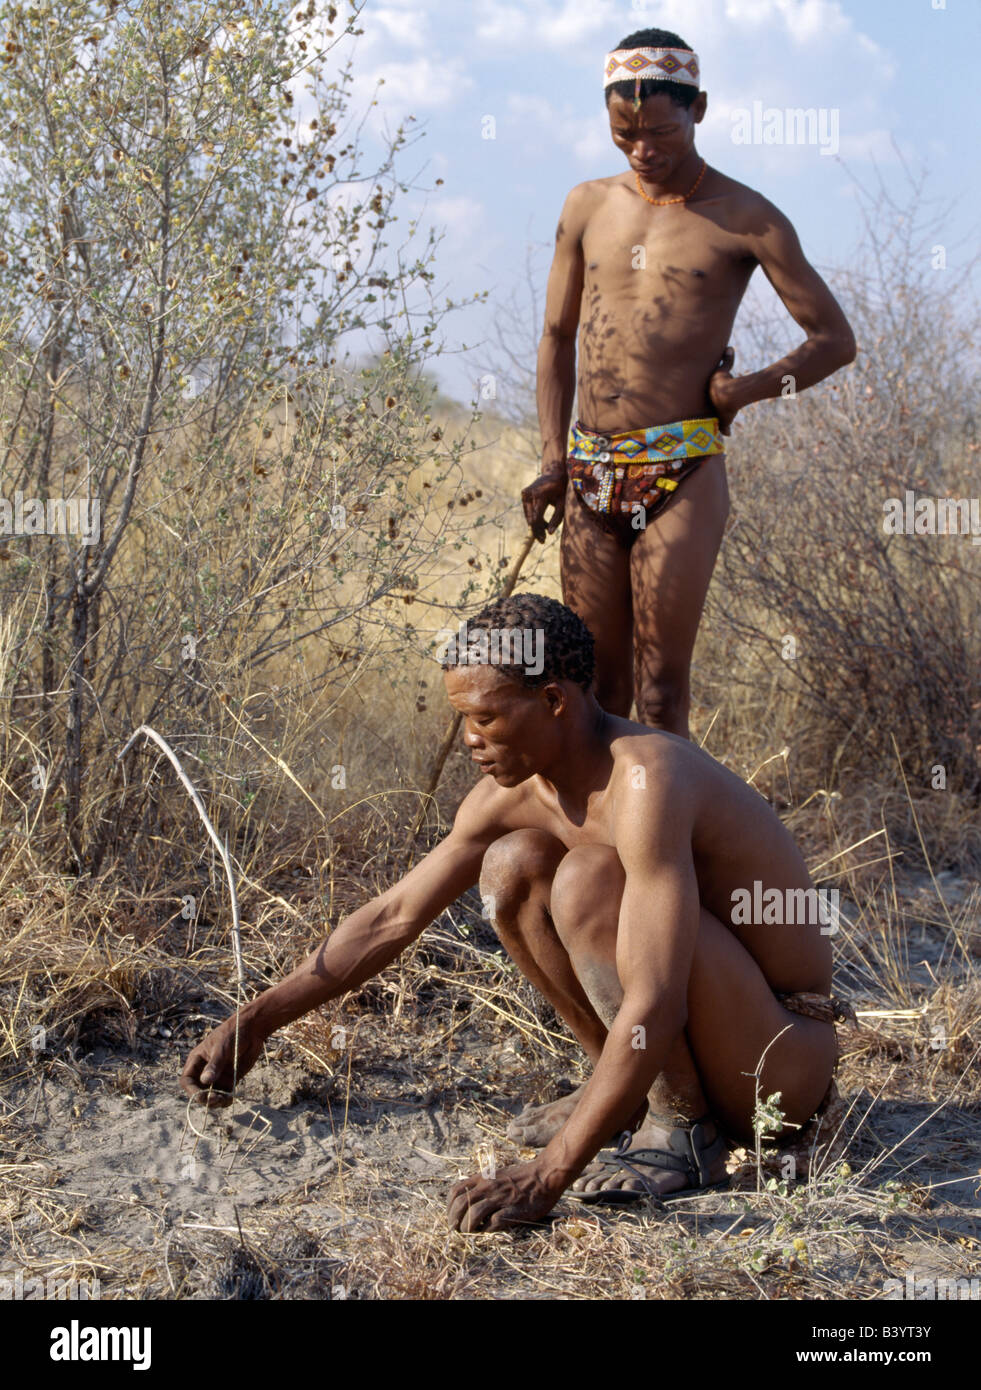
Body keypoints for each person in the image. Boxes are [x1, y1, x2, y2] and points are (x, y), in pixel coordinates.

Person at [181, 593, 849, 1233]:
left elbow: (656, 999)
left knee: (588, 878)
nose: (469, 739)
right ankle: (624, 1100)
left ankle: (679, 1133)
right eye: (463, 720)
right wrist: (257, 1020)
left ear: (553, 700)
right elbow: (392, 918)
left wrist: (544, 1179)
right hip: (699, 1033)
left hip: (776, 1065)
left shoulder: (645, 781)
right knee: (513, 865)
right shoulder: (512, 796)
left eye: (485, 718)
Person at [522, 26, 856, 737]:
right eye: (623, 134)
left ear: (697, 110)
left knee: (661, 689)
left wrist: (752, 389)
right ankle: (598, 849)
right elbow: (554, 338)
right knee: (591, 687)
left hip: (682, 468)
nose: (642, 150)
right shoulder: (585, 205)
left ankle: (667, 845)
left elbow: (833, 341)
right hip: (588, 471)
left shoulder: (747, 218)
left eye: (660, 133)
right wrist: (552, 460)